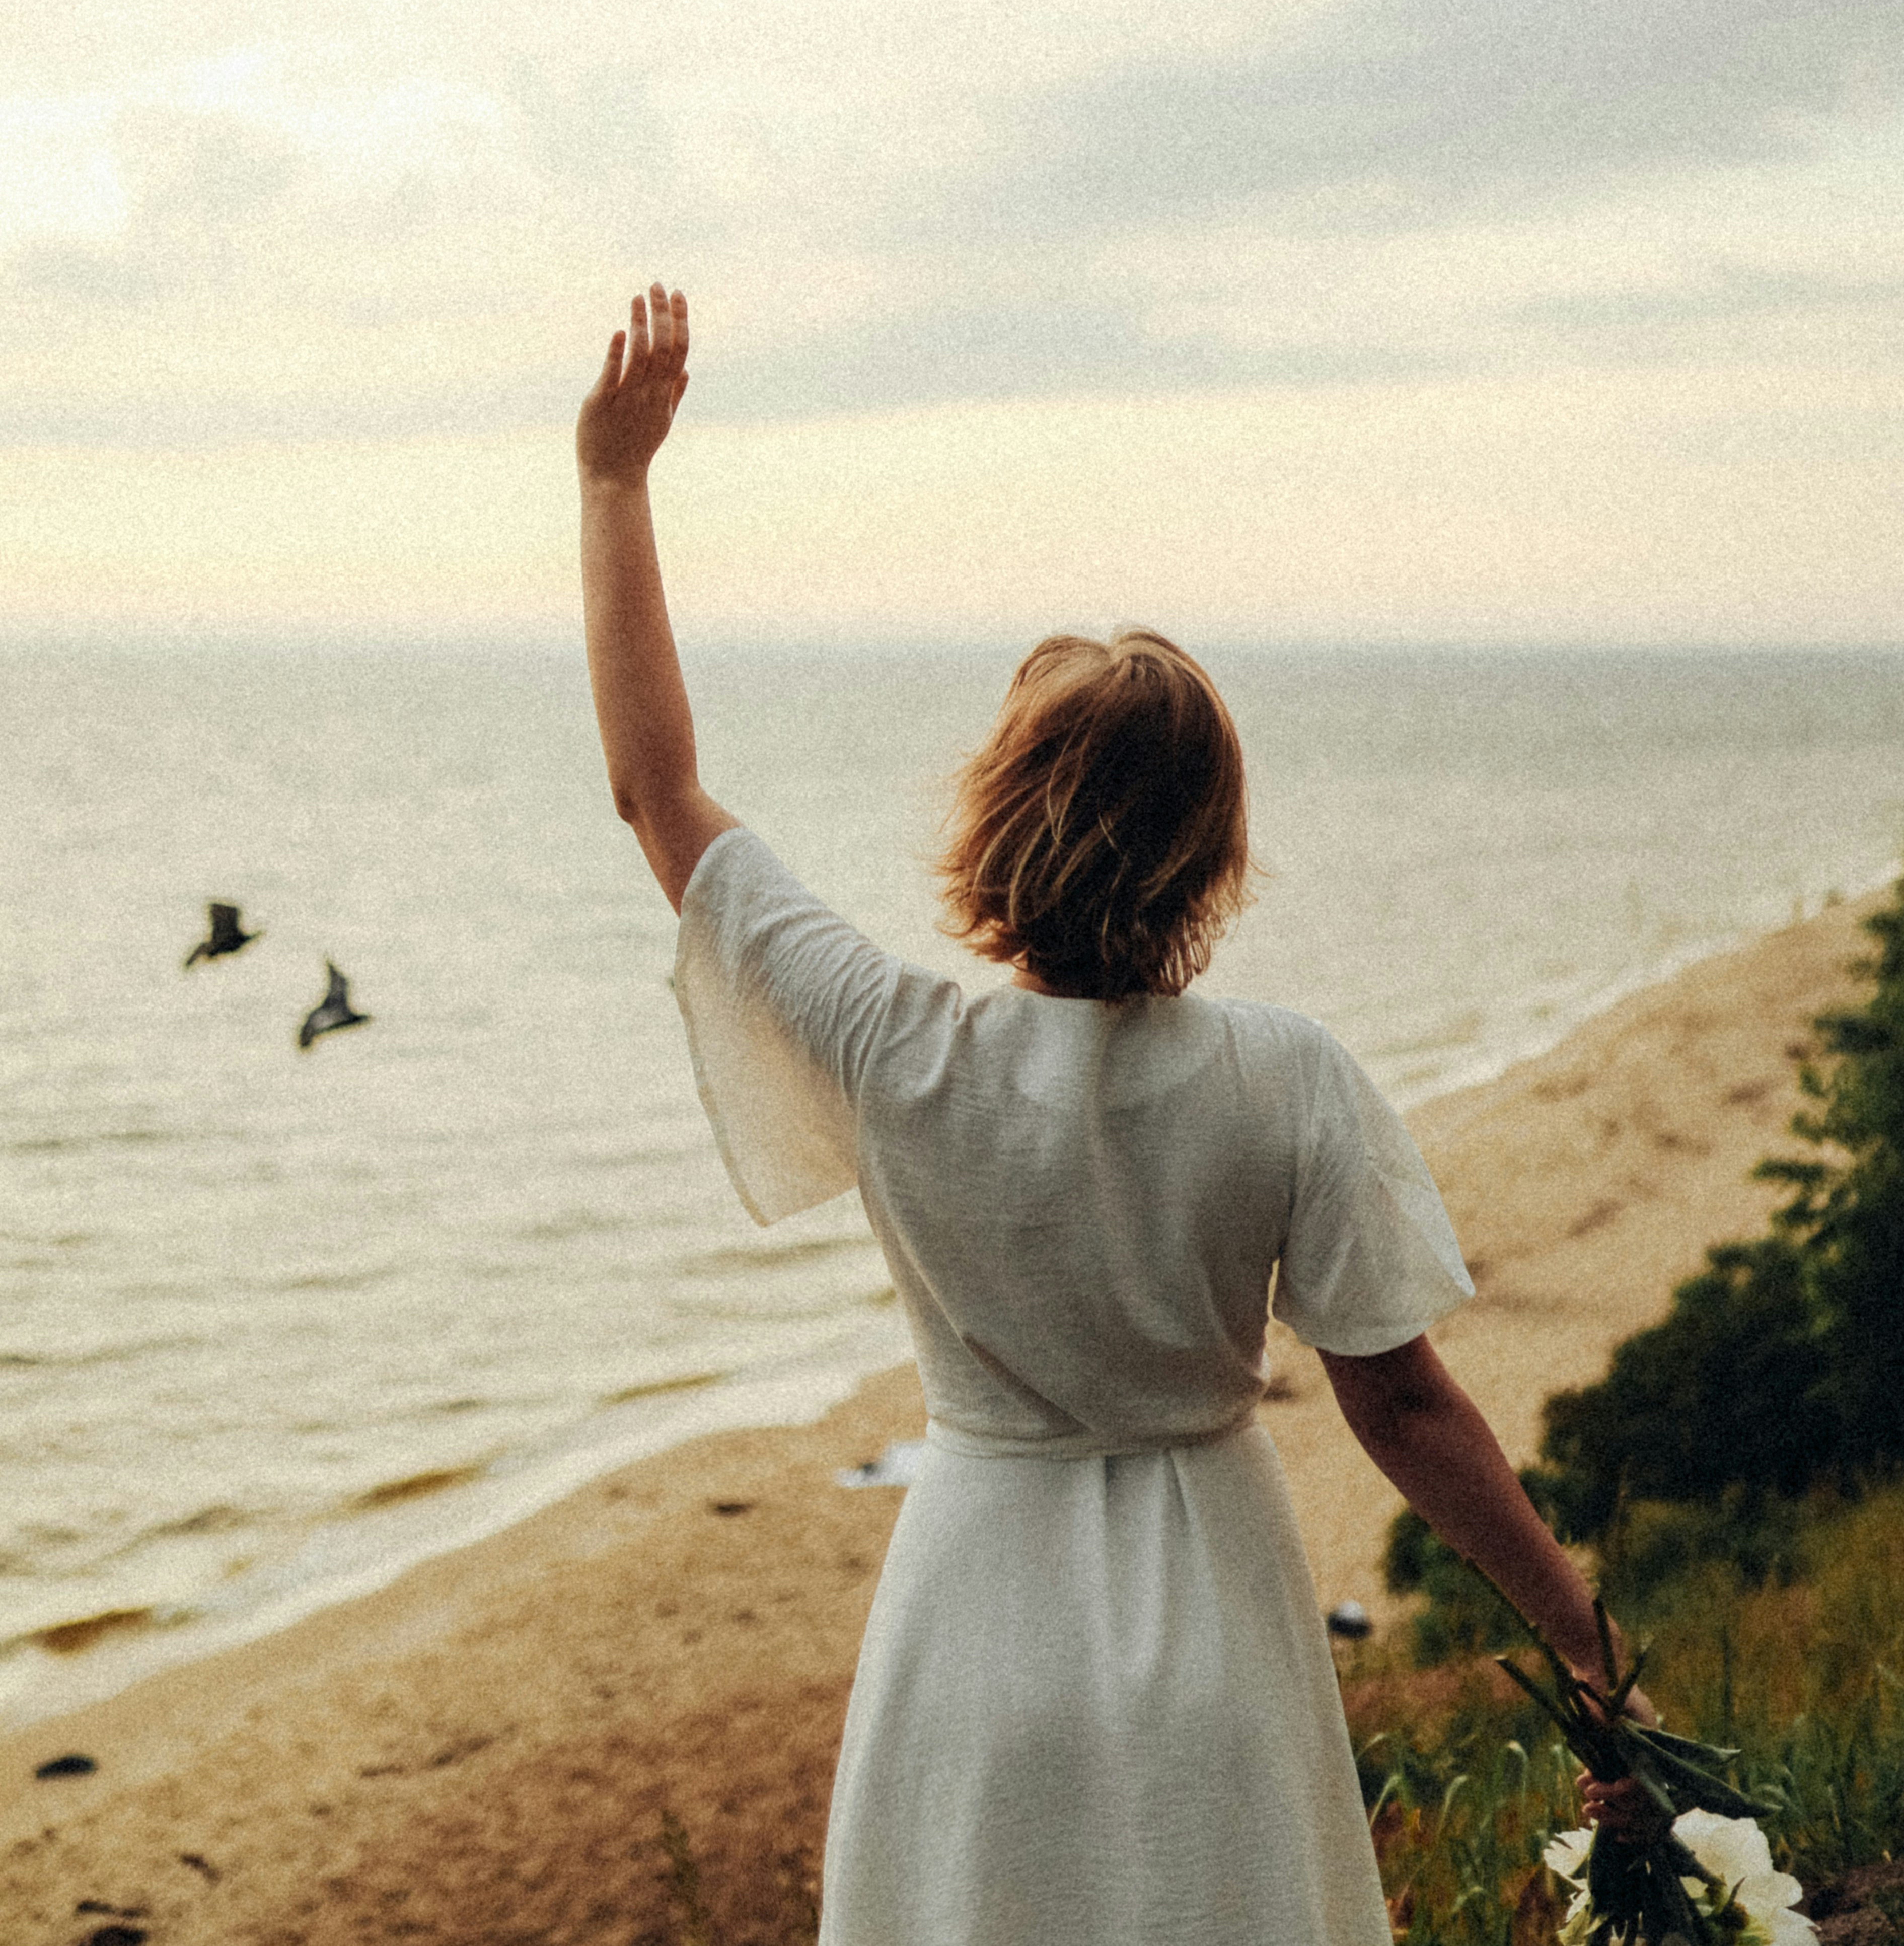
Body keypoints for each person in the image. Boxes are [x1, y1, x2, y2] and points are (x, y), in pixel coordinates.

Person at [579, 282, 1651, 1946]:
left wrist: (613, 485)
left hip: (972, 1633)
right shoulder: (1285, 1075)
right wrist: (1579, 1635)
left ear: (996, 818)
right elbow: (1409, 1407)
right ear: (1210, 847)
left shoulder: (889, 1043)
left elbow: (657, 791)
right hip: (1213, 1624)